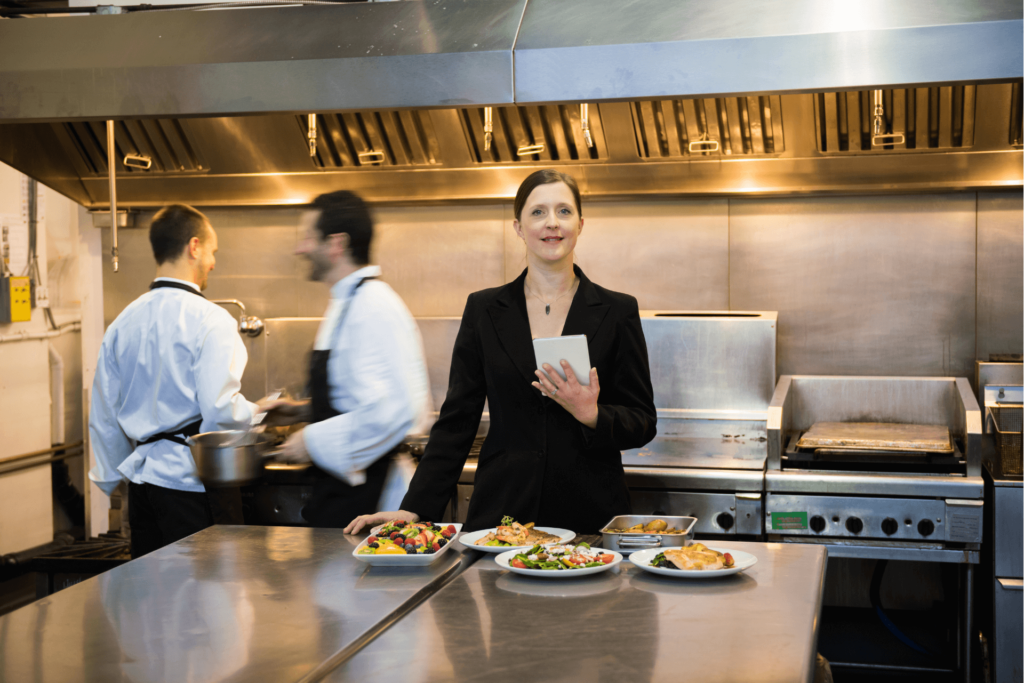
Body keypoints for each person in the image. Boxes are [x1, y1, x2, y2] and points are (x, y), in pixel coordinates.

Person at [346, 169, 657, 535]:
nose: (551, 223)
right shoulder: (484, 310)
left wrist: (591, 414)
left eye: (564, 211)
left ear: (581, 224)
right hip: (502, 517)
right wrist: (413, 509)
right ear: (519, 227)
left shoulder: (617, 310)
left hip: (589, 516)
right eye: (538, 212)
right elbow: (457, 421)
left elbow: (642, 421)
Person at [89, 204, 257, 558]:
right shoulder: (211, 319)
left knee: (153, 601)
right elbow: (220, 411)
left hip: (143, 486)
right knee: (214, 601)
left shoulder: (123, 321)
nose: (212, 262)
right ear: (194, 247)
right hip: (192, 484)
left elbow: (104, 413)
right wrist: (264, 416)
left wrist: (111, 480)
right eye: (212, 252)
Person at [259, 190, 430, 528]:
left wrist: (311, 439)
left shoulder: (373, 307)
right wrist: (304, 410)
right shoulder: (348, 301)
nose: (300, 248)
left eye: (308, 237)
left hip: (369, 499)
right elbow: (357, 393)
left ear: (336, 244)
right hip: (344, 493)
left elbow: (396, 409)